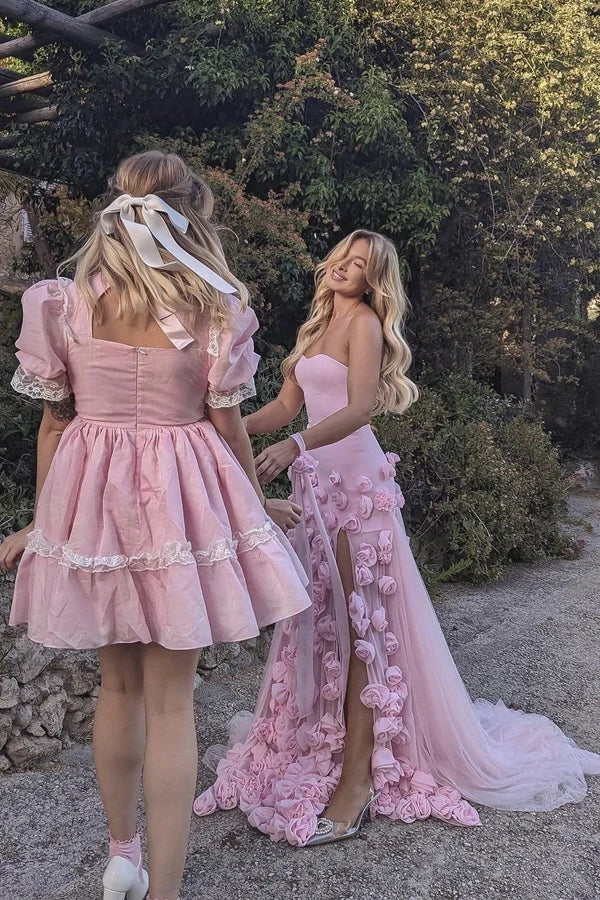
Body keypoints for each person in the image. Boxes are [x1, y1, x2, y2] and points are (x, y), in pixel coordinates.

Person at [194, 229, 600, 847]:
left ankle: (356, 784)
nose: (344, 267)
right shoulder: (316, 325)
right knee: (323, 625)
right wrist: (220, 428)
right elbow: (283, 407)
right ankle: (334, 746)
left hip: (357, 486)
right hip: (317, 490)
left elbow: (360, 409)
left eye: (360, 265)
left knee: (363, 635)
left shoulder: (363, 325)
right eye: (343, 256)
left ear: (373, 280)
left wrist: (295, 446)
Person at [0, 150, 311, 899]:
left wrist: (45, 526)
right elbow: (226, 426)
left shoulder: (64, 303)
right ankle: (165, 891)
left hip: (94, 503)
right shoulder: (216, 308)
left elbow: (54, 423)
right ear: (191, 215)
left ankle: (122, 856)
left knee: (117, 690)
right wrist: (253, 502)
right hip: (182, 503)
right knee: (172, 703)